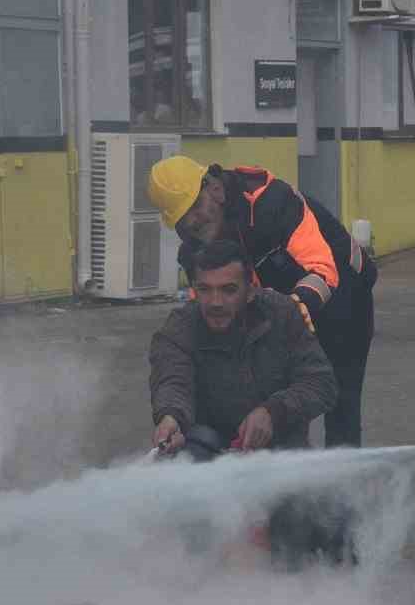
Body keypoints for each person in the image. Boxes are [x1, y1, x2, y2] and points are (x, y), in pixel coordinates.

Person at [148, 155, 376, 446]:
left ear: (215, 190)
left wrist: (294, 311)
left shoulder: (273, 203)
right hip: (281, 304)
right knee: (272, 398)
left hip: (343, 298)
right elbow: (203, 311)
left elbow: (322, 270)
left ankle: (344, 482)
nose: (193, 222)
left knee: (338, 397)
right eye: (181, 220)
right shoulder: (194, 247)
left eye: (195, 207)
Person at [150, 240, 336, 456]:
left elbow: (321, 383)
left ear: (250, 291)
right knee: (194, 447)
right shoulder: (178, 328)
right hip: (207, 452)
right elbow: (172, 380)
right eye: (205, 289)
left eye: (228, 290)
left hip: (282, 453)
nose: (215, 302)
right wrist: (171, 417)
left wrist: (273, 411)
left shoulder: (283, 314)